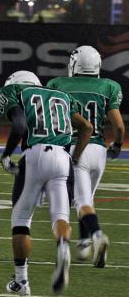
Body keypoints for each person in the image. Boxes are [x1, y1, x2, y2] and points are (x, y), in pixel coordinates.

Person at [0, 70, 93, 296]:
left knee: (21, 219)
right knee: (60, 216)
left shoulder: (15, 91)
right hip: (63, 157)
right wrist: (75, 158)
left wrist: (6, 154)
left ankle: (21, 281)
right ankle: (63, 248)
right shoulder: (62, 96)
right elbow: (87, 127)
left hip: (34, 155)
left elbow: (19, 125)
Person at [47, 46, 124, 267]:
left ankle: (98, 236)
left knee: (80, 201)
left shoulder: (57, 85)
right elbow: (119, 126)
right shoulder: (109, 86)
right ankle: (83, 243)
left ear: (74, 64)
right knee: (85, 199)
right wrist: (117, 145)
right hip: (98, 150)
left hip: (75, 146)